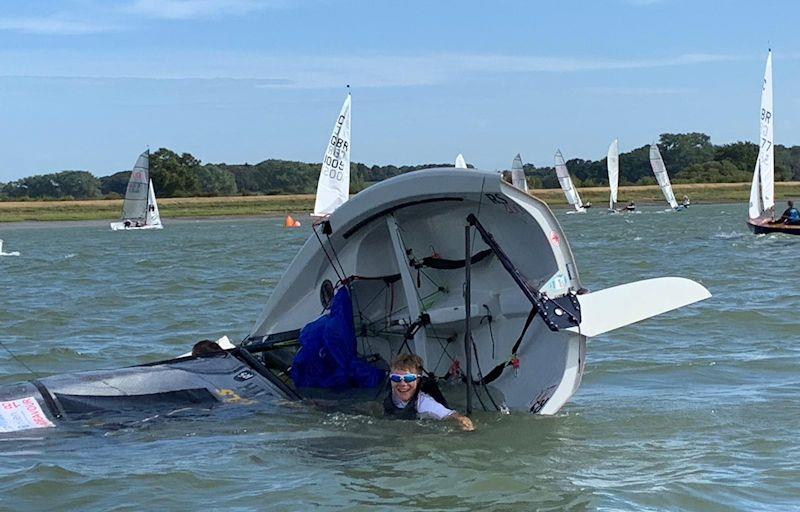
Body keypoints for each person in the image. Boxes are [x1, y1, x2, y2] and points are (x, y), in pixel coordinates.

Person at [383, 353, 474, 431]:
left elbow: (450, 415)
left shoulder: (424, 403)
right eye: (396, 378)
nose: (402, 383)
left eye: (409, 378)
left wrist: (463, 421)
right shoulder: (388, 391)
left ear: (418, 380)